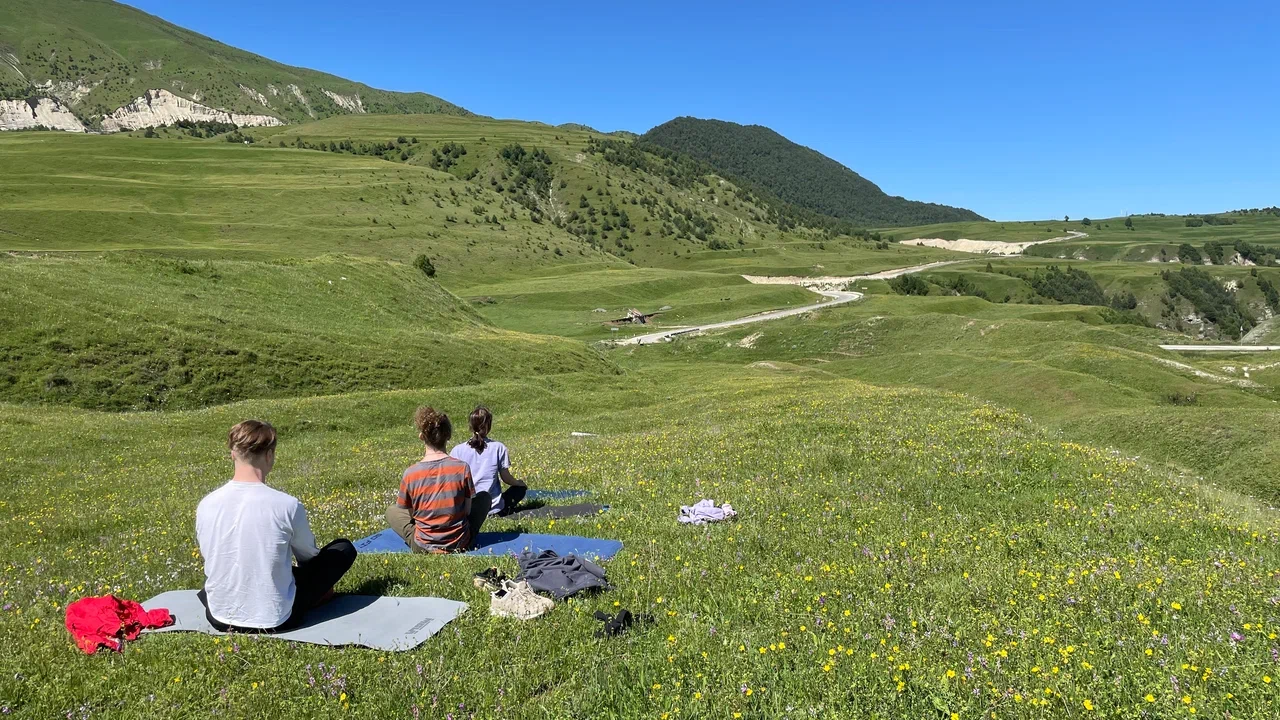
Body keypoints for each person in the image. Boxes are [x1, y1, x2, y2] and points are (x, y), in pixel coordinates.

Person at [196, 420, 357, 632]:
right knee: (343, 549)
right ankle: (315, 597)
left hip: (218, 616)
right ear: (269, 455)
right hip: (276, 618)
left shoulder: (206, 504)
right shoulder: (287, 505)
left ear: (233, 454)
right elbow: (308, 558)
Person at [386, 407, 486, 553]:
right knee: (484, 498)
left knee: (391, 511)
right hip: (459, 542)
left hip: (424, 546)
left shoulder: (411, 473)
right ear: (448, 436)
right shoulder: (462, 468)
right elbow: (467, 510)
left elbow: (411, 514)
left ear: (421, 436)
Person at [450, 406, 527, 516]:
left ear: (470, 426)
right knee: (520, 490)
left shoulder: (457, 450)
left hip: (467, 508)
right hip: (493, 508)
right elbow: (506, 478)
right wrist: (519, 483)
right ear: (489, 426)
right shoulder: (498, 447)